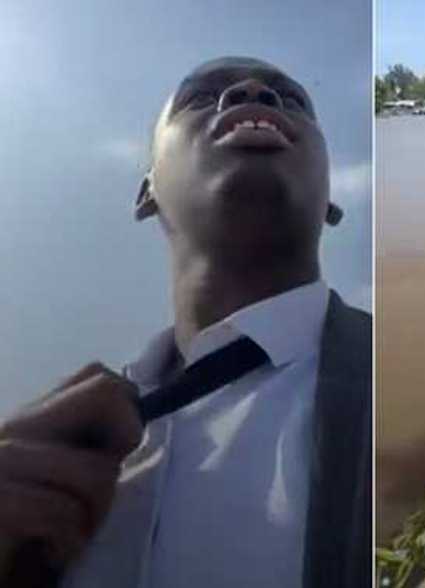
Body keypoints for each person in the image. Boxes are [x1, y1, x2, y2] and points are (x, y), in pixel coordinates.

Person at [0, 56, 370, 588]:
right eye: (201, 96)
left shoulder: (384, 378)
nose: (252, 92)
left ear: (330, 200)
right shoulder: (55, 451)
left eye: (290, 100)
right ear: (146, 191)